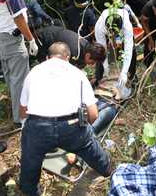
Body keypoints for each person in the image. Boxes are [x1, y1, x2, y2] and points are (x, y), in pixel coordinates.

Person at [19, 42, 111, 196]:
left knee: (30, 156)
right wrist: (85, 130)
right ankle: (106, 169)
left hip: (38, 127)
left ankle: (29, 190)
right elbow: (94, 114)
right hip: (71, 126)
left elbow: (23, 111)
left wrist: (28, 130)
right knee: (88, 144)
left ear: (47, 57)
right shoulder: (77, 73)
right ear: (67, 58)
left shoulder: (34, 72)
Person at [0, 0, 38, 125]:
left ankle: (17, 113)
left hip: (1, 38)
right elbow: (18, 17)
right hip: (12, 37)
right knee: (20, 80)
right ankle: (23, 119)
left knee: (10, 77)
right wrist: (30, 39)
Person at [95, 6, 137, 92]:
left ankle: (131, 78)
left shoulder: (127, 26)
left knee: (132, 51)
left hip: (122, 33)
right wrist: (106, 67)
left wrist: (124, 72)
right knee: (99, 53)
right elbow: (102, 49)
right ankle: (99, 78)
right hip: (105, 32)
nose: (113, 35)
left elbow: (128, 50)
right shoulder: (99, 26)